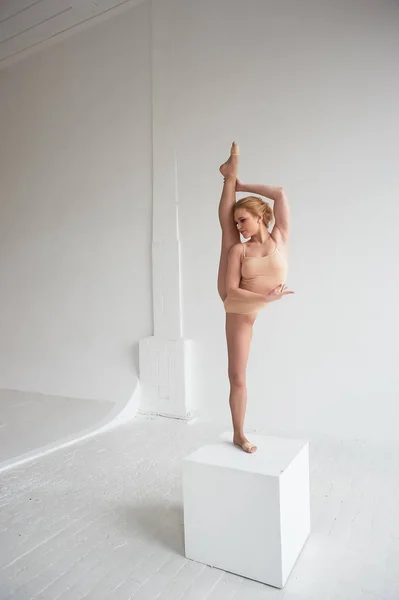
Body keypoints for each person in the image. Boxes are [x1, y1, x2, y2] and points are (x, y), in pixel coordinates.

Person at [217, 142, 293, 453]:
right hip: (237, 306)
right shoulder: (241, 249)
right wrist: (267, 298)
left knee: (226, 230)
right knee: (237, 375)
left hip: (255, 304)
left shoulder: (280, 237)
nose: (240, 226)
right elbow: (231, 292)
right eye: (238, 222)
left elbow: (279, 194)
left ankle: (229, 175)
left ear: (260, 217)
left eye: (243, 220)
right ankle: (239, 434)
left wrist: (240, 185)